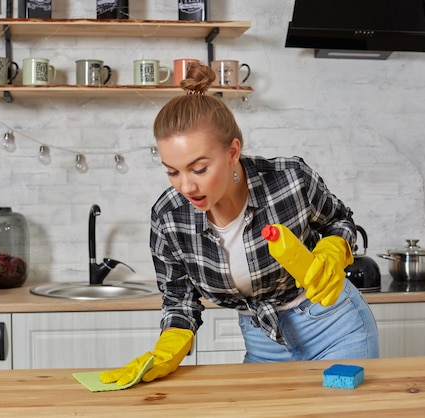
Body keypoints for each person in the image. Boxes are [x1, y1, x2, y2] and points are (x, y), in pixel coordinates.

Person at [100, 63, 379, 387]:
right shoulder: (169, 217)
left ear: (232, 151)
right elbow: (179, 299)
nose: (186, 186)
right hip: (263, 339)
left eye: (199, 169)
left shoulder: (289, 180)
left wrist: (333, 251)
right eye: (173, 172)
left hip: (332, 325)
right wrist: (167, 348)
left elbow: (339, 220)